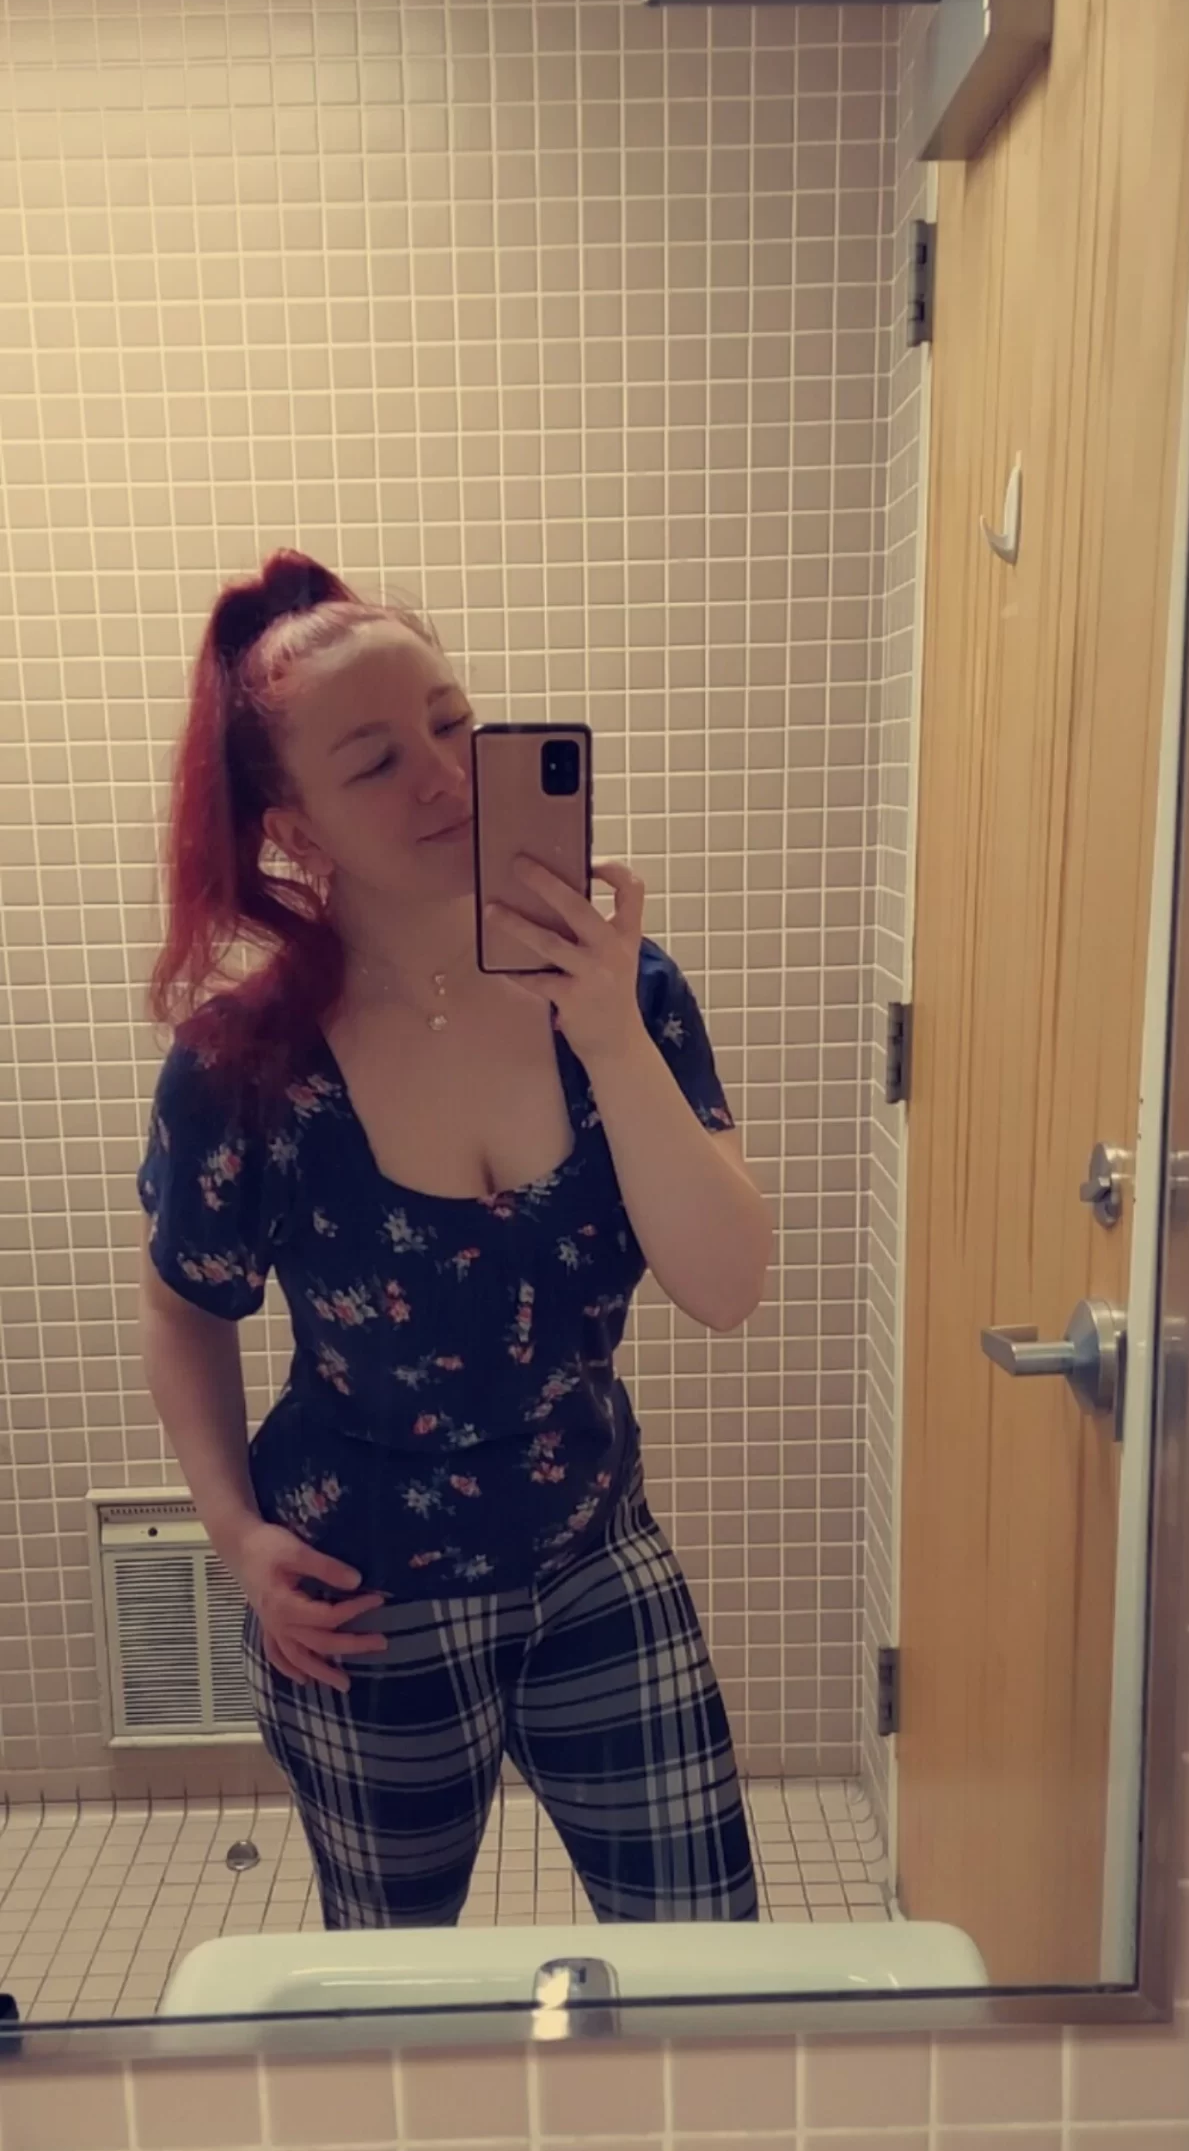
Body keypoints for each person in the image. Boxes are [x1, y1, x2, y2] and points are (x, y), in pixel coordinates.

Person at [136, 549, 772, 1928]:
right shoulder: (246, 1067)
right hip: (358, 1598)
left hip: (595, 1549)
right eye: (375, 761)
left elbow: (727, 1286)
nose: (443, 778)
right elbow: (185, 1305)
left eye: (451, 722)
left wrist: (608, 1034)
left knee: (707, 1951)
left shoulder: (624, 997)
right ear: (293, 827)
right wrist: (235, 1537)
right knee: (394, 1977)